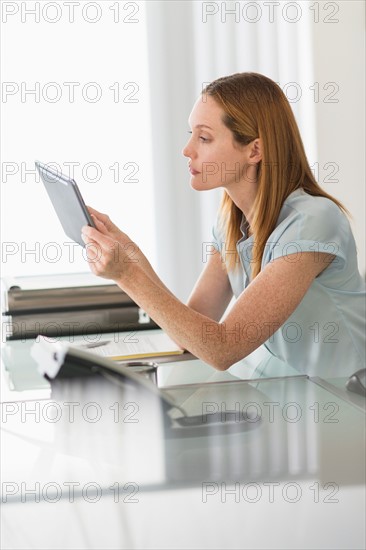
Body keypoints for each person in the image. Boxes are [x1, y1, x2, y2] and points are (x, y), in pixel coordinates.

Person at [82, 72, 365, 377]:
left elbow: (223, 348)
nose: (187, 150)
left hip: (349, 405)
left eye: (204, 138)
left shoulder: (312, 221)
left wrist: (126, 274)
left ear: (254, 150)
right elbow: (190, 334)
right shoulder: (233, 221)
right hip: (299, 402)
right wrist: (129, 252)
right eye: (191, 134)